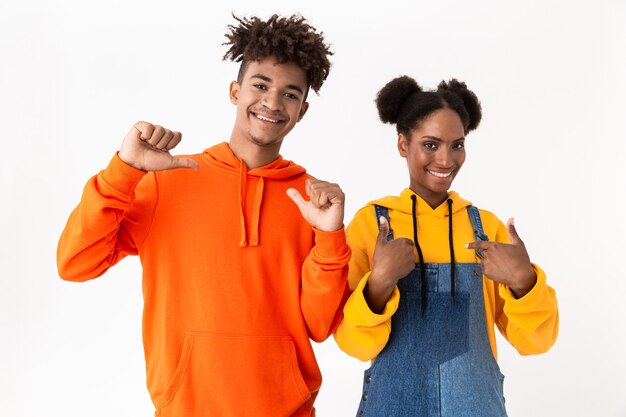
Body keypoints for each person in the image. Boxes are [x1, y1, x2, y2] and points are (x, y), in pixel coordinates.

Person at [57, 14, 350, 417]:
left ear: (302, 111)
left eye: (290, 94)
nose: (272, 102)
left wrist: (331, 237)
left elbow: (320, 325)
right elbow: (75, 263)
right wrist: (124, 169)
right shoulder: (168, 180)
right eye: (260, 85)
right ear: (235, 90)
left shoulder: (312, 201)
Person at [333, 75, 559, 416]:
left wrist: (523, 282)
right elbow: (352, 344)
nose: (445, 159)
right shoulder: (373, 224)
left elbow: (536, 342)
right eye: (430, 144)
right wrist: (378, 284)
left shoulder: (486, 229)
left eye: (457, 145)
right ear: (402, 145)